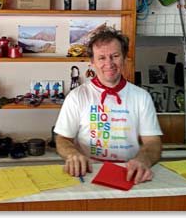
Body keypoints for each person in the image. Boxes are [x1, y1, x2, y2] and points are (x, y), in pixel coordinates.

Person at [54, 27, 163, 184]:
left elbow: (153, 142)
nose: (109, 63)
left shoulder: (141, 97)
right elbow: (63, 138)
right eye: (101, 58)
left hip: (130, 174)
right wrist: (72, 154)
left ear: (124, 58)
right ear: (92, 62)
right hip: (89, 173)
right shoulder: (77, 96)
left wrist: (143, 160)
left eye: (115, 56)